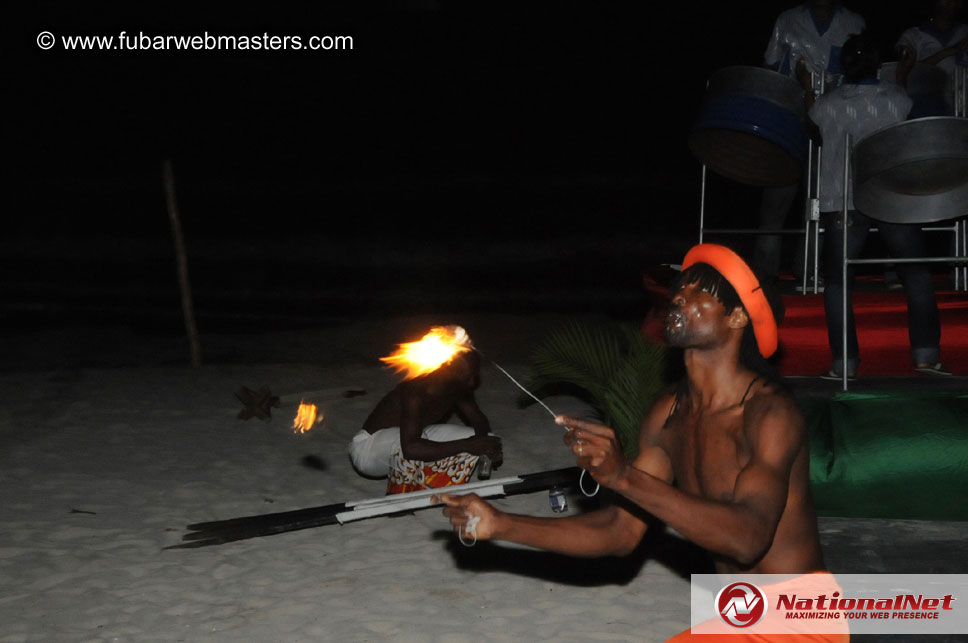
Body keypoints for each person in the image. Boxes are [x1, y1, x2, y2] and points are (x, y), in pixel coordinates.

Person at [439, 244, 842, 642]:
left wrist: (624, 476)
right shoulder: (668, 412)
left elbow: (747, 540)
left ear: (737, 317)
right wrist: (501, 523)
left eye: (699, 292)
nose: (679, 297)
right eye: (679, 290)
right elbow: (620, 531)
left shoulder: (769, 414)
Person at [808, 32, 948, 378]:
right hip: (890, 198)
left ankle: (844, 364)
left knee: (839, 282)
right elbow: (906, 109)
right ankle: (926, 356)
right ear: (876, 65)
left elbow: (812, 125)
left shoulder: (825, 105)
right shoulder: (895, 99)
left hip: (843, 200)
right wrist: (901, 74)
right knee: (915, 273)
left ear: (845, 65)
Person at [755, 0, 866, 286]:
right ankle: (764, 281)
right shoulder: (788, 19)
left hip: (833, 125)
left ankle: (808, 274)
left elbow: (862, 72)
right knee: (775, 205)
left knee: (822, 203)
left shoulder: (854, 23)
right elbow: (768, 67)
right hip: (788, 122)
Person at [348, 347, 503, 493]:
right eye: (469, 375)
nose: (472, 382)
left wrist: (487, 448)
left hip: (413, 438)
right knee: (410, 442)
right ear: (449, 371)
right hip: (368, 452)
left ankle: (435, 487)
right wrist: (466, 445)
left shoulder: (458, 389)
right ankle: (399, 501)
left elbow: (479, 422)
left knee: (482, 438)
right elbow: (410, 448)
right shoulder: (415, 390)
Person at [895, 0, 968, 115]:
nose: (949, 2)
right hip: (926, 109)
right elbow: (904, 70)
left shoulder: (965, 32)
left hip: (963, 108)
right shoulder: (913, 35)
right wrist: (946, 53)